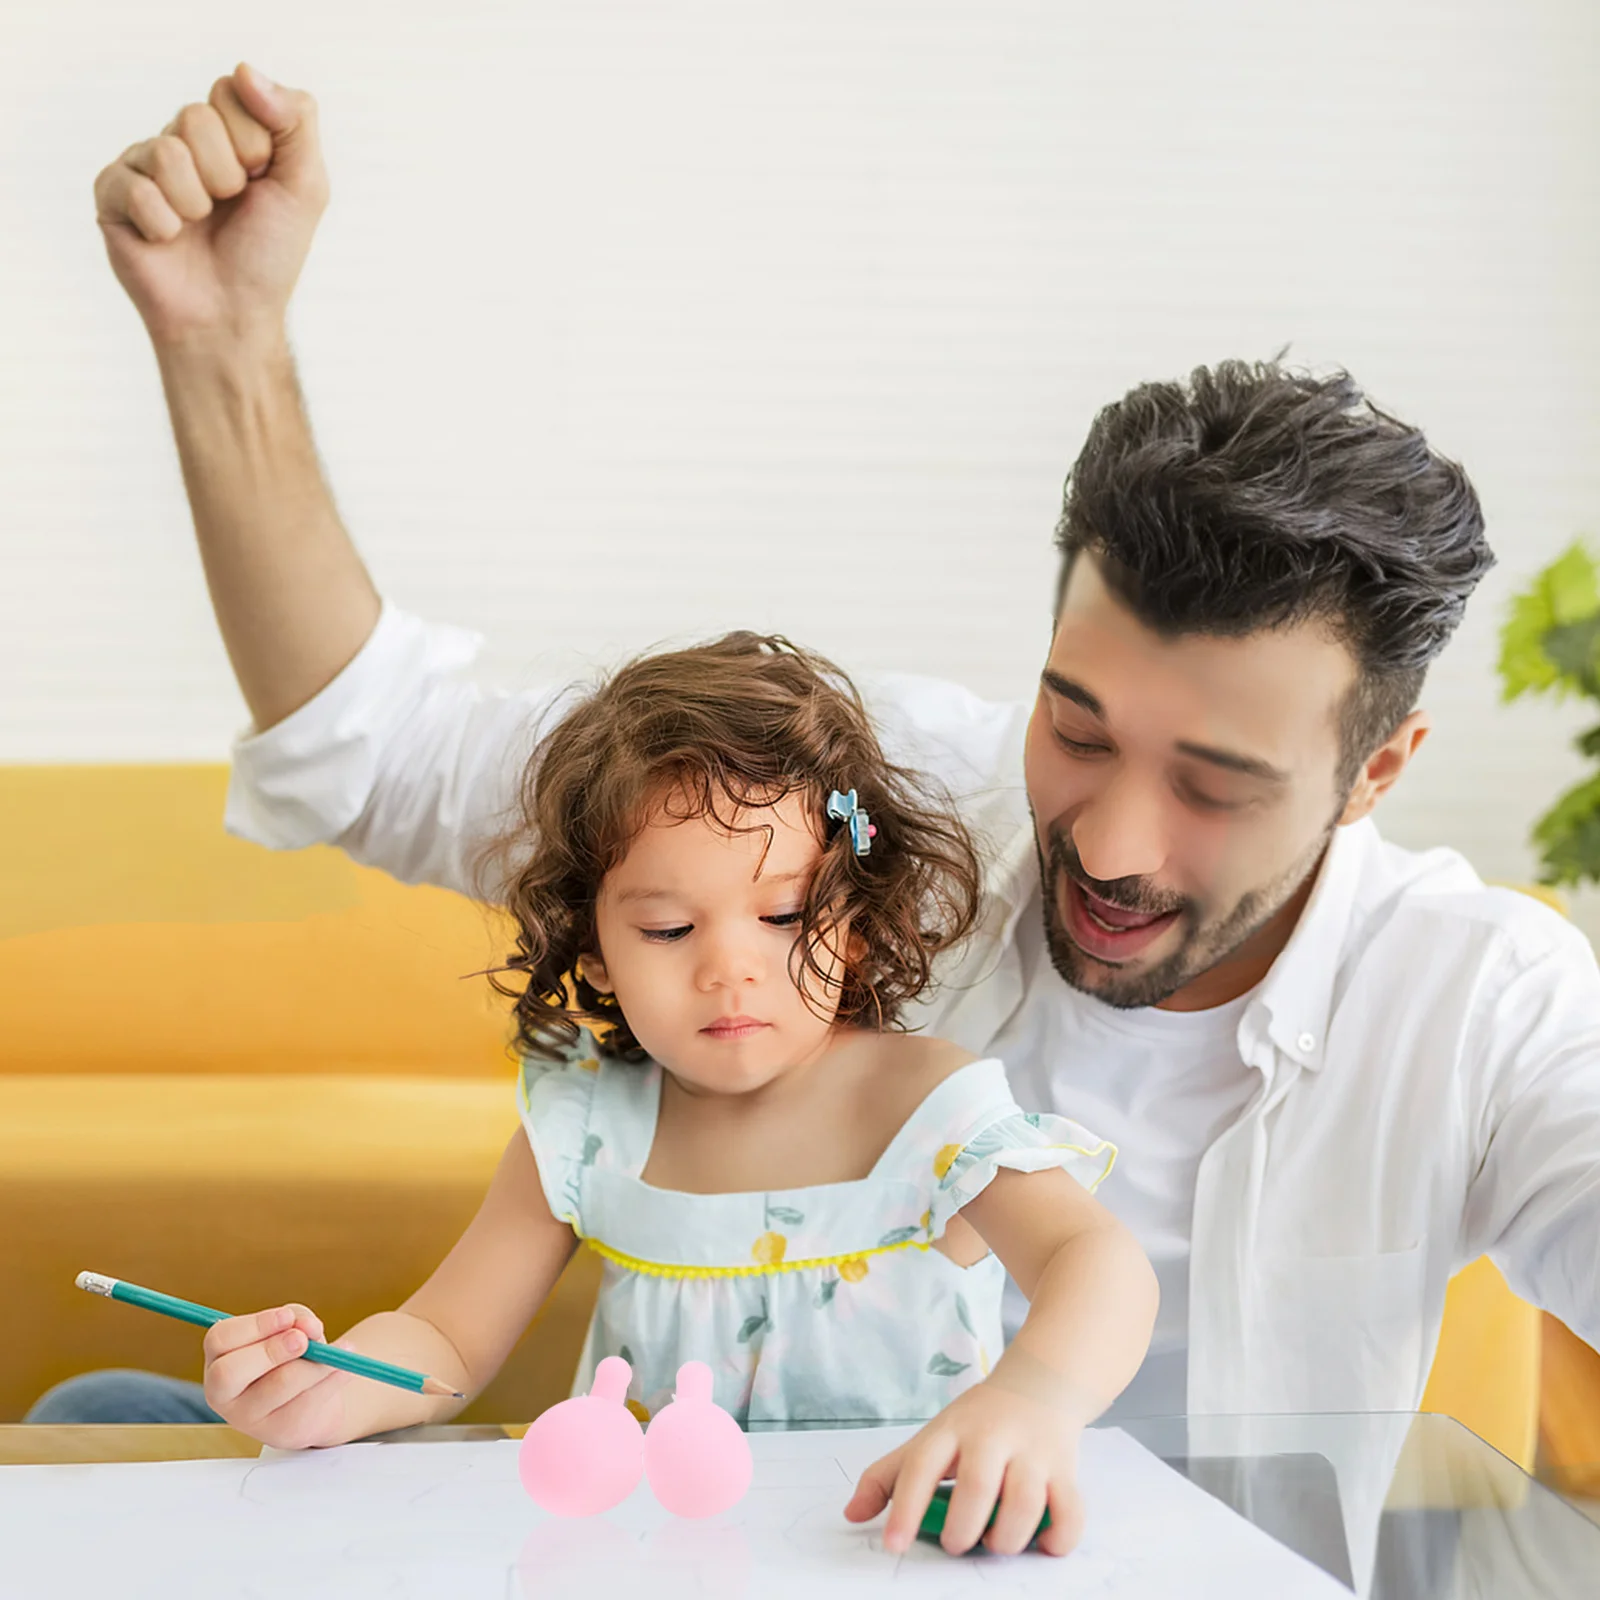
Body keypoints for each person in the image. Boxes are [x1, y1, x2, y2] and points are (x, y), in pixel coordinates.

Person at [62, 61, 1600, 1466]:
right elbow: (372, 744)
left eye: (1217, 782)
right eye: (1076, 726)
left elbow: (1101, 1271)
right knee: (107, 1421)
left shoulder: (1485, 1002)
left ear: (1376, 771)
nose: (1113, 840)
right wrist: (219, 340)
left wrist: (1028, 1407)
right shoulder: (845, 798)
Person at [224, 633, 1159, 1556]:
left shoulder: (927, 1109)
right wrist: (330, 1391)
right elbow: (444, 1339)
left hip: (886, 1553)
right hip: (657, 1557)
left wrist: (1033, 1402)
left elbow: (1096, 1261)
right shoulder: (592, 1128)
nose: (728, 969)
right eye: (669, 929)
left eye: (783, 915)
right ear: (594, 949)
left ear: (857, 924)